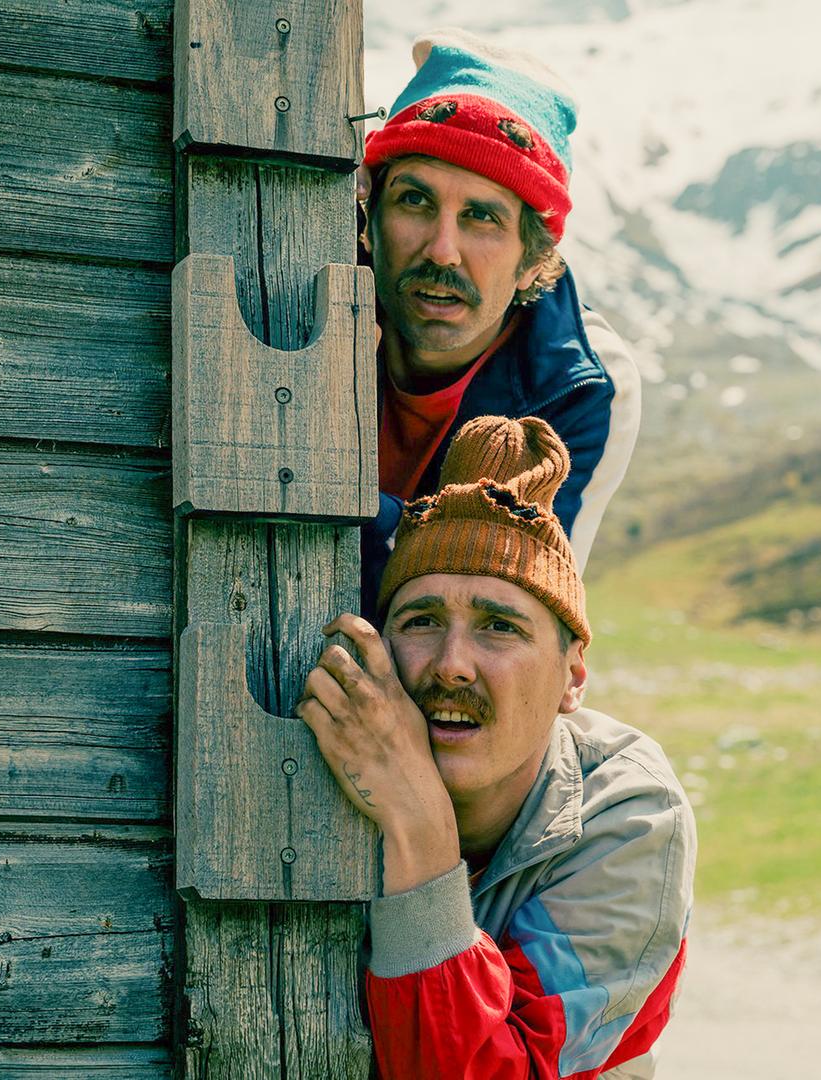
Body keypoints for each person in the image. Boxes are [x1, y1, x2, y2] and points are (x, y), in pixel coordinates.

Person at [297, 416, 693, 1079]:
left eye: (499, 627)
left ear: (573, 677)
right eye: (421, 621)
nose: (451, 665)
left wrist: (418, 819)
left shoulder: (628, 817)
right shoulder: (316, 760)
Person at [360, 30, 641, 611]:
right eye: (414, 200)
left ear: (532, 260)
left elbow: (500, 606)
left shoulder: (579, 385)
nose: (442, 250)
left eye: (482, 217)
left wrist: (341, 493)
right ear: (369, 215)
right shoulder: (299, 288)